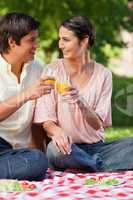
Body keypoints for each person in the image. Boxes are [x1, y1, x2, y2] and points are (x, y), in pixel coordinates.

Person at [34, 15, 133, 172]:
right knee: (55, 151)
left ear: (84, 40)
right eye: (60, 39)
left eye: (66, 40)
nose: (60, 45)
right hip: (66, 148)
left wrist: (80, 101)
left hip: (97, 148)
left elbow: (97, 124)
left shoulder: (104, 75)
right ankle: (99, 165)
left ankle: (88, 165)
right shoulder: (51, 70)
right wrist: (57, 132)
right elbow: (47, 121)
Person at [0, 12, 55, 180]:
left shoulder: (38, 69)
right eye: (31, 40)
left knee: (38, 160)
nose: (36, 45)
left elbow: (39, 119)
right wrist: (26, 94)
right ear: (12, 42)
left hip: (17, 153)